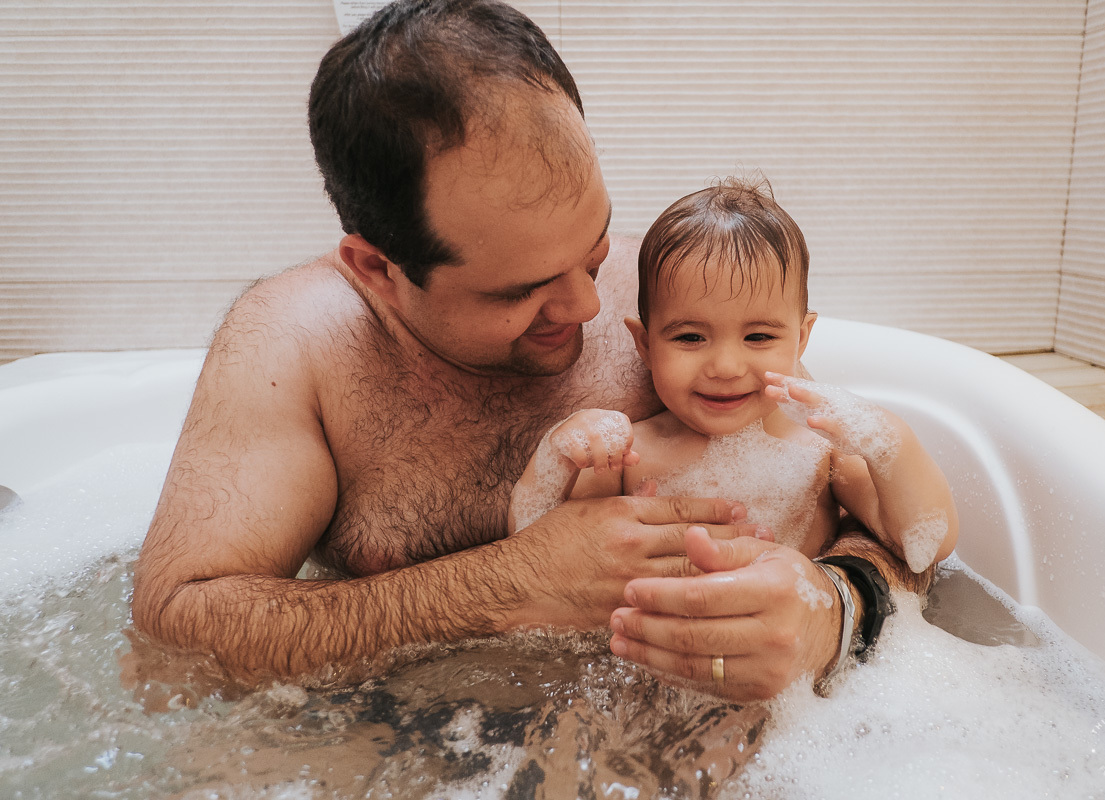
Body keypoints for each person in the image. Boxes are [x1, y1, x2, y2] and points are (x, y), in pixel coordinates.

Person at [131, 0, 935, 701]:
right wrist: (510, 584)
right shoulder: (294, 350)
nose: (589, 304)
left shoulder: (675, 311)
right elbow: (174, 633)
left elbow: (884, 520)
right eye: (519, 290)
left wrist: (834, 611)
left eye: (592, 247)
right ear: (378, 269)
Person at [509, 179, 958, 667]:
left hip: (784, 668)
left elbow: (923, 542)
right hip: (651, 661)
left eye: (759, 337)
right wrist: (557, 456)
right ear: (645, 344)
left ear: (801, 339)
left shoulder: (820, 451)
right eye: (690, 337)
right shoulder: (629, 453)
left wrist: (889, 442)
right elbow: (538, 550)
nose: (725, 366)